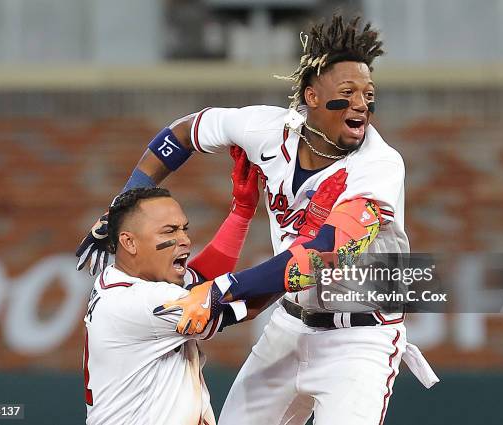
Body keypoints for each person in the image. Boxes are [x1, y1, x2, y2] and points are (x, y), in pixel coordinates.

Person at [77, 14, 438, 425]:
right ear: (312, 96)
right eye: (348, 92)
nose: (361, 104)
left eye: (368, 94)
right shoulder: (267, 130)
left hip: (360, 335)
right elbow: (182, 134)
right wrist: (121, 207)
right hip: (290, 323)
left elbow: (325, 254)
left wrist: (225, 285)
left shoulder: (380, 166)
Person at [84, 149, 261, 425]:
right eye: (169, 231)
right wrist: (303, 253)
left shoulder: (130, 277)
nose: (185, 241)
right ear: (129, 242)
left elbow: (201, 282)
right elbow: (240, 303)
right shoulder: (138, 300)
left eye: (184, 229)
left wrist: (242, 212)